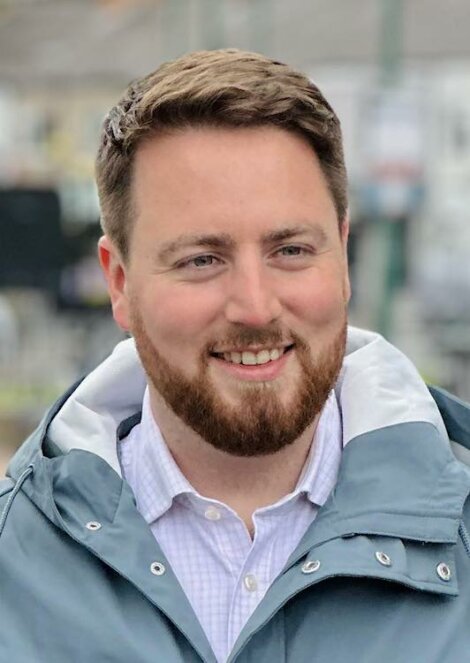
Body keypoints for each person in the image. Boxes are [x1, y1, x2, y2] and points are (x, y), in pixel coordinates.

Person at [1, 49, 470, 663]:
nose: (255, 306)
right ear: (119, 282)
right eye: (202, 259)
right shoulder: (16, 566)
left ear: (343, 254)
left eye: (292, 250)